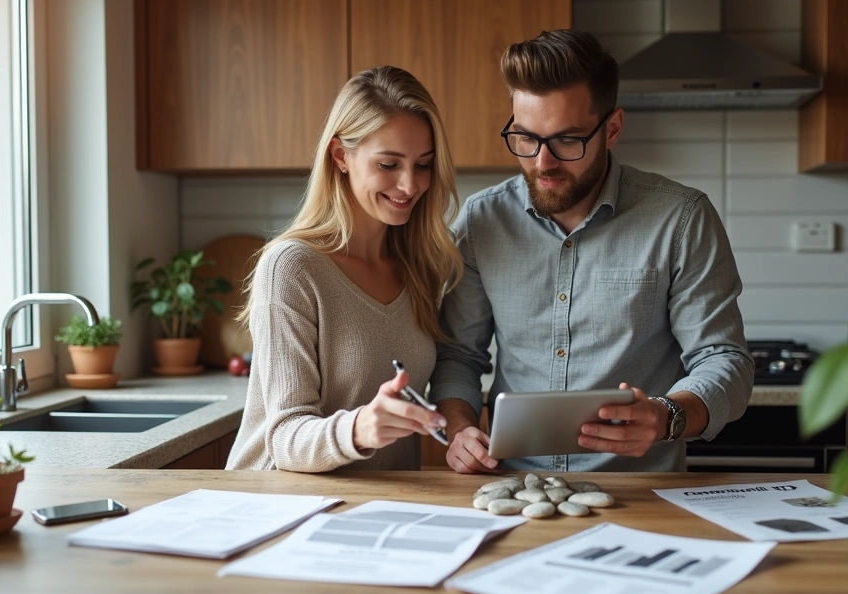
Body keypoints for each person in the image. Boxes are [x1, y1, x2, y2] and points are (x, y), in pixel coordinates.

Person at [430, 30, 754, 474]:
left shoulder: (681, 219)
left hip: (643, 494)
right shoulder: (481, 220)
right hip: (514, 489)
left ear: (612, 128)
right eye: (525, 137)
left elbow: (723, 359)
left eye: (567, 140)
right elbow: (458, 357)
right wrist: (459, 429)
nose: (542, 162)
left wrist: (666, 416)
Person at [226, 66, 461, 472]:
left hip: (376, 502)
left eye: (423, 165)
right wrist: (358, 429)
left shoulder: (418, 269)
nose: (410, 185)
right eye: (389, 164)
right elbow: (284, 438)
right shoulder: (292, 267)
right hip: (279, 501)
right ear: (341, 156)